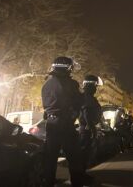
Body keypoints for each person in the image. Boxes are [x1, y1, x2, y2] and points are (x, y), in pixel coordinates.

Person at [41, 56, 93, 187]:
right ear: (68, 68)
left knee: (50, 159)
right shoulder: (72, 84)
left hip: (51, 125)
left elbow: (47, 106)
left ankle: (48, 182)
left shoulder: (47, 83)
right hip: (65, 125)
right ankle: (77, 183)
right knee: (74, 157)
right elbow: (79, 101)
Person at [79, 75, 102, 169]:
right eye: (96, 86)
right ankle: (81, 175)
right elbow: (86, 112)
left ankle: (82, 173)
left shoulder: (85, 96)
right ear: (91, 86)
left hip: (86, 128)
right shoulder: (88, 97)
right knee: (85, 152)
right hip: (87, 128)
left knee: (85, 151)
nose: (96, 88)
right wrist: (91, 127)